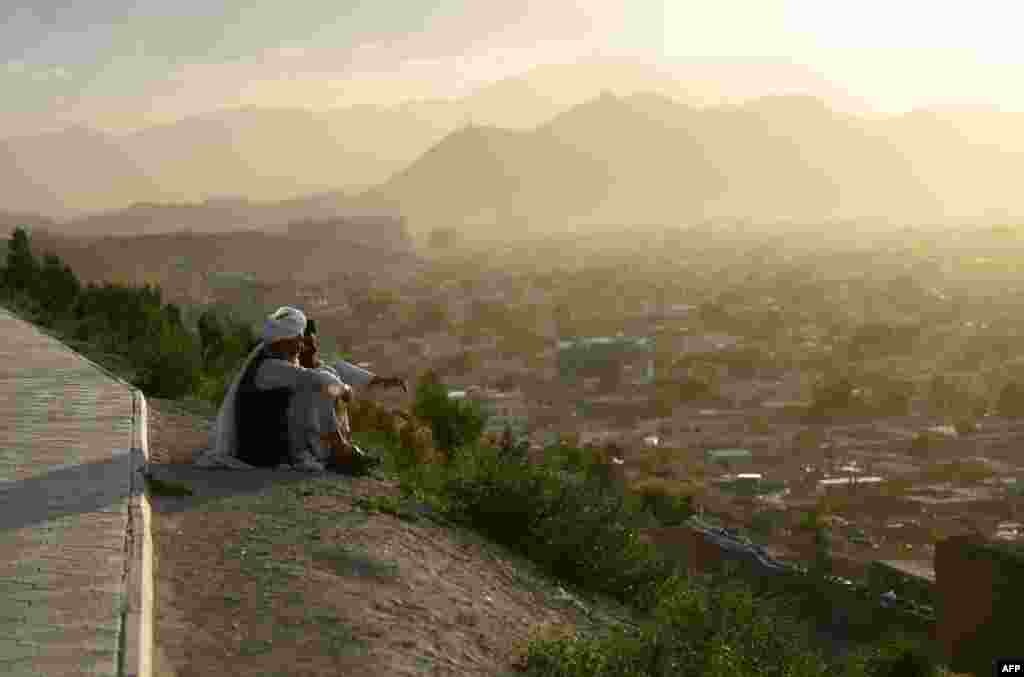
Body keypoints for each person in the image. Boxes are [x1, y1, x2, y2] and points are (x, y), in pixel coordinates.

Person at [198, 306, 350, 472]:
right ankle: (330, 450)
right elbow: (316, 380)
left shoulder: (270, 356)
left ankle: (336, 446)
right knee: (314, 386)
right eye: (298, 340)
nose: (302, 346)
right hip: (262, 451)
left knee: (326, 376)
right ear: (283, 342)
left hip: (268, 445)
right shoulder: (270, 367)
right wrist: (344, 390)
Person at [296, 319, 407, 471]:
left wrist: (385, 381)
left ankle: (344, 449)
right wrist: (344, 390)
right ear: (298, 348)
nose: (314, 348)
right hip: (316, 445)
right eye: (308, 344)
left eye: (314, 343)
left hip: (335, 438)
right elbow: (333, 389)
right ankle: (339, 451)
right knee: (324, 387)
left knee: (333, 370)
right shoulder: (298, 376)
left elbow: (355, 375)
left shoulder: (328, 368)